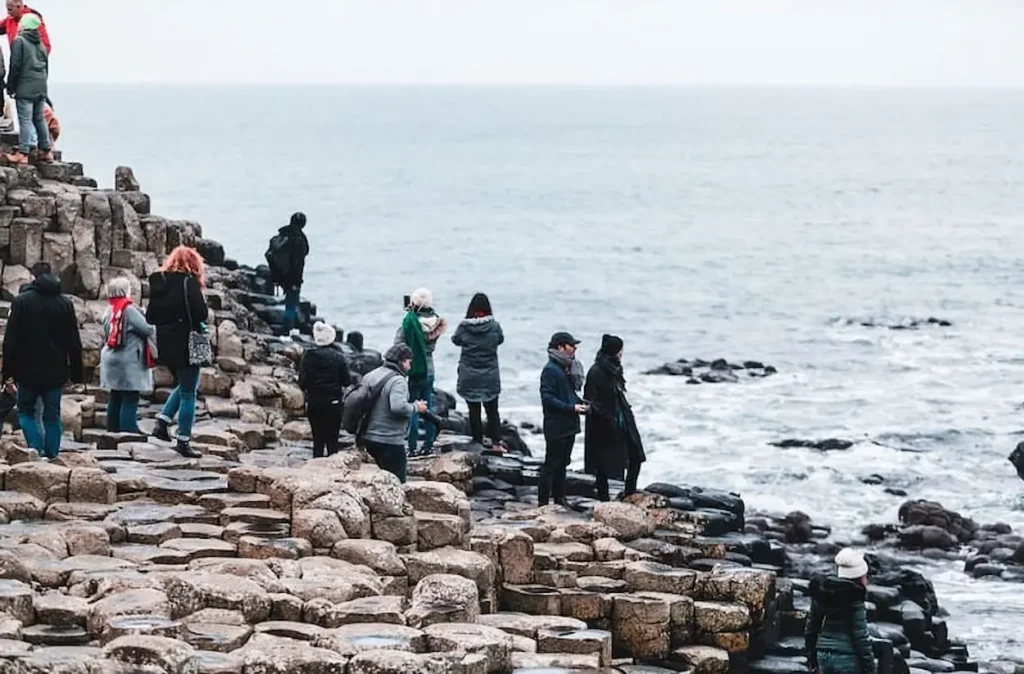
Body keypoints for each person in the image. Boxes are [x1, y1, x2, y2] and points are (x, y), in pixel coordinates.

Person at [1, 262, 83, 460]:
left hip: (26, 370)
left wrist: (8, 374)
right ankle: (53, 454)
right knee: (52, 416)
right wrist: (76, 375)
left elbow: (11, 341)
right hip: (56, 370)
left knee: (26, 412)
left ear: (33, 279)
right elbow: (74, 342)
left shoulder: (22, 301)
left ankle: (35, 450)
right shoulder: (65, 303)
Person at [146, 246, 209, 459]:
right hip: (187, 342)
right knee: (189, 393)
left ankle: (162, 422)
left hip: (166, 344)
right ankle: (183, 440)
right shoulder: (188, 282)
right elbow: (202, 313)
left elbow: (150, 317)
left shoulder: (158, 282)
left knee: (184, 385)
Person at [583, 335, 646, 501]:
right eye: (620, 350)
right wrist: (606, 417)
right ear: (615, 351)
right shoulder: (596, 371)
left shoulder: (615, 368)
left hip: (622, 418)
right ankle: (604, 499)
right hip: (605, 425)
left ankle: (629, 492)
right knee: (603, 465)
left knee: (635, 456)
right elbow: (591, 399)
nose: (622, 354)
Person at [805, 548, 878, 674]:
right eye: (866, 577)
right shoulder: (855, 598)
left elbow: (811, 629)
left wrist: (811, 659)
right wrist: (870, 668)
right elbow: (861, 637)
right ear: (860, 577)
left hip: (823, 655)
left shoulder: (822, 593)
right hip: (847, 657)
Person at [361, 344, 427, 483]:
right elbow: (398, 407)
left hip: (369, 437)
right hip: (389, 440)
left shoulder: (371, 375)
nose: (410, 366)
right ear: (402, 361)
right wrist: (416, 407)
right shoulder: (398, 381)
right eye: (409, 362)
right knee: (397, 483)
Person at [538, 332, 587, 506]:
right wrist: (571, 408)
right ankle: (543, 503)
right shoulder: (551, 370)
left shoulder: (566, 368)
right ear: (560, 347)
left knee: (563, 463)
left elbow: (568, 395)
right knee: (551, 463)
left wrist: (581, 404)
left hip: (569, 424)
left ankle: (560, 499)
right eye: (571, 345)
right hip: (556, 425)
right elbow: (548, 398)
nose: (575, 349)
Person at [395, 288, 446, 456]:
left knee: (413, 408)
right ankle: (429, 444)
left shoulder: (410, 322)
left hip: (413, 368)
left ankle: (411, 446)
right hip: (429, 368)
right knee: (428, 407)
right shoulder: (435, 320)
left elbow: (398, 343)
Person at [100, 277, 154, 434]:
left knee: (115, 396)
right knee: (130, 397)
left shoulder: (109, 309)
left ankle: (113, 430)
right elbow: (147, 329)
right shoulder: (129, 309)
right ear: (126, 291)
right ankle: (128, 430)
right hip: (128, 359)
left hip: (110, 357)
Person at [451, 293, 504, 447]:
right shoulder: (494, 327)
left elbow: (456, 340)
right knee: (492, 410)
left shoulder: (464, 327)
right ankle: (496, 442)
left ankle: (477, 440)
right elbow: (500, 339)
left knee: (474, 410)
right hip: (490, 375)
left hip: (469, 375)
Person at [298, 321, 351, 458]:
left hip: (314, 403)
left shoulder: (308, 356)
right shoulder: (338, 357)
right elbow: (347, 381)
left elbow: (302, 382)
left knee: (318, 441)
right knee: (333, 442)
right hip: (333, 403)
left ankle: (317, 467)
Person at [4, 12, 50, 165]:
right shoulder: (41, 44)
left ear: (25, 26)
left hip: (25, 87)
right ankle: (46, 151)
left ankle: (23, 153)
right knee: (39, 118)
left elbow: (15, 65)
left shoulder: (20, 41)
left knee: (25, 120)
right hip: (41, 86)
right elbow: (46, 68)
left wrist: (11, 86)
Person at [266, 212, 309, 334]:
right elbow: (298, 264)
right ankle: (287, 329)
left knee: (290, 301)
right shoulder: (299, 240)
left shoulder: (282, 235)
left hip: (278, 274)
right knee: (291, 302)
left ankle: (289, 326)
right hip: (292, 277)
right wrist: (296, 281)